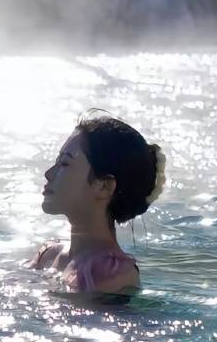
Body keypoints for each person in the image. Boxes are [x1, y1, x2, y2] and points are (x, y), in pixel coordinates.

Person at [30, 110, 165, 297]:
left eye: (65, 164)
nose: (48, 173)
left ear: (104, 186)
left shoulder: (112, 274)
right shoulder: (48, 254)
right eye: (56, 162)